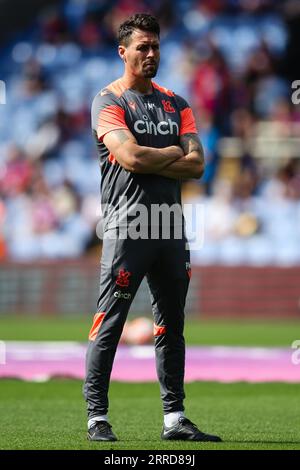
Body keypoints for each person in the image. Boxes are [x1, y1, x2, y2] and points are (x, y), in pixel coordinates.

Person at [84, 13, 222, 443]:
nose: (150, 54)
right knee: (111, 321)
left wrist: (149, 154)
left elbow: (198, 165)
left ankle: (174, 418)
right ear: (122, 52)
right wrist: (166, 154)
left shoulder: (177, 103)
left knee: (172, 324)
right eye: (142, 47)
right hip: (128, 226)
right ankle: (96, 417)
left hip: (169, 228)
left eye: (156, 46)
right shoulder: (108, 101)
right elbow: (132, 160)